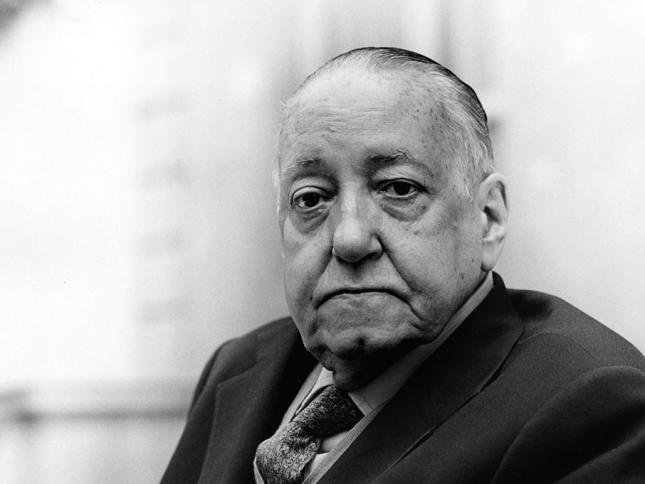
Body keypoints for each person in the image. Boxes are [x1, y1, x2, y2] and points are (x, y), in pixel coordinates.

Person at [161, 47, 645, 484]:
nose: (349, 238)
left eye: (398, 189)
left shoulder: (592, 406)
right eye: (311, 199)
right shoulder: (238, 369)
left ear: (488, 218)